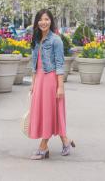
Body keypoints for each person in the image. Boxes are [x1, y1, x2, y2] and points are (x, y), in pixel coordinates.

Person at [28, 9, 75, 160]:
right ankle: (66, 142)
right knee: (49, 111)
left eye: (46, 19)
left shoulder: (56, 40)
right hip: (40, 80)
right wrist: (33, 83)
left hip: (51, 80)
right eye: (41, 19)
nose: (43, 22)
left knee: (49, 112)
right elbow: (34, 64)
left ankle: (43, 147)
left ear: (51, 21)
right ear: (37, 22)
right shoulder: (36, 39)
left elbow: (60, 65)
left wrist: (60, 87)